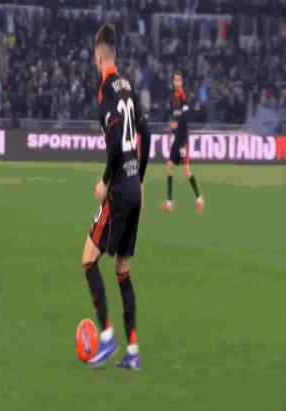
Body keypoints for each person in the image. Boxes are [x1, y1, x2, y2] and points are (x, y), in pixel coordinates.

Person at [82, 24, 151, 369]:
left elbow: (113, 143)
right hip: (134, 188)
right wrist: (141, 178)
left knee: (88, 259)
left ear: (99, 57)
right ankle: (133, 351)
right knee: (122, 270)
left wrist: (105, 179)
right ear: (115, 55)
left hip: (120, 192)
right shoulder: (128, 86)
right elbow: (146, 133)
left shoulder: (104, 92)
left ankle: (107, 337)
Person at [160, 71, 204, 214]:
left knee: (186, 171)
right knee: (168, 168)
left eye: (179, 80)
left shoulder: (184, 97)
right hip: (176, 139)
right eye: (175, 80)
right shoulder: (173, 98)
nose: (177, 82)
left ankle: (199, 199)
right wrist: (172, 129)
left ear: (181, 82)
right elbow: (175, 117)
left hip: (183, 140)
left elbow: (185, 118)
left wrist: (175, 124)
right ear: (173, 82)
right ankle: (169, 202)